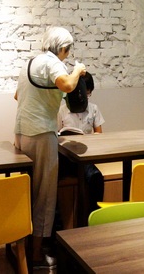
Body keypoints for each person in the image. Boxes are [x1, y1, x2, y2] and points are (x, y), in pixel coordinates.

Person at [14, 27, 86, 270]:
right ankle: (36, 256)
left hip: (22, 133)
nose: (68, 55)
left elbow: (17, 96)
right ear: (63, 48)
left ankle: (22, 249)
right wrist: (77, 70)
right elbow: (67, 85)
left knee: (27, 193)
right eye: (68, 51)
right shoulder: (53, 62)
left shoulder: (30, 63)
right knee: (44, 195)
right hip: (42, 133)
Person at [57, 72, 105, 217]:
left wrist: (92, 138)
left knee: (96, 177)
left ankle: (93, 216)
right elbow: (56, 135)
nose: (84, 98)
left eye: (87, 94)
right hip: (65, 158)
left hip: (85, 158)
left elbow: (100, 134)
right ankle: (58, 223)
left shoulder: (93, 109)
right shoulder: (62, 110)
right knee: (51, 180)